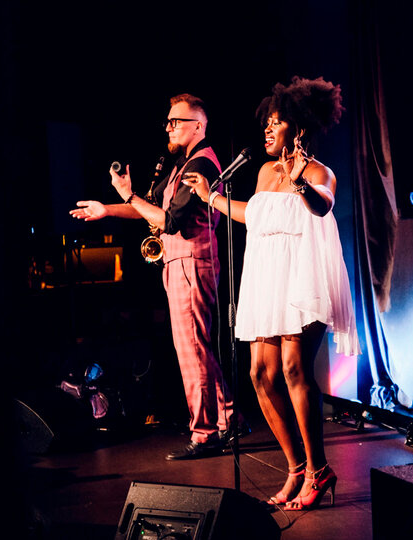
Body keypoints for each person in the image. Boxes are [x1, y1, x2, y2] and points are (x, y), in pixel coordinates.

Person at [182, 76, 359, 510]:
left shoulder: (319, 172)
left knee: (295, 368)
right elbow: (256, 215)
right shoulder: (263, 172)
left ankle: (318, 469)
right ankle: (296, 467)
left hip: (301, 279)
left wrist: (299, 182)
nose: (267, 128)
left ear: (298, 129)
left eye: (276, 122)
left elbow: (323, 205)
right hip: (267, 278)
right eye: (267, 122)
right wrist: (210, 197)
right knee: (260, 373)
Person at [70, 93, 244, 460]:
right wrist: (109, 209)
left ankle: (204, 434)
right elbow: (150, 208)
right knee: (199, 347)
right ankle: (229, 418)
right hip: (181, 262)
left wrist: (127, 195)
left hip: (189, 261)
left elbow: (169, 221)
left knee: (191, 351)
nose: (169, 127)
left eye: (176, 121)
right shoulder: (183, 163)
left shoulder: (201, 164)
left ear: (199, 125)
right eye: (168, 121)